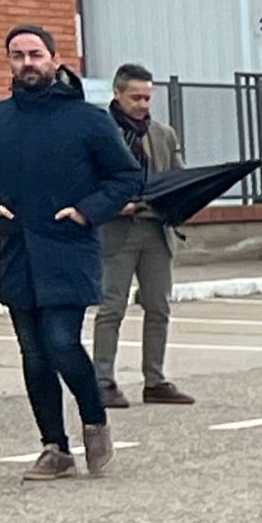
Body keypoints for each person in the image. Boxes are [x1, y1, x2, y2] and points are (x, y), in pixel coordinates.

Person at [0, 25, 140, 482]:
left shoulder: (88, 120)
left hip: (67, 248)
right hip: (16, 250)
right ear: (9, 63)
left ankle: (94, 420)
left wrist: (87, 212)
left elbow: (125, 178)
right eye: (18, 55)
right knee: (33, 353)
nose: (27, 63)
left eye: (35, 54)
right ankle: (54, 448)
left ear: (55, 60)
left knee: (61, 342)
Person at [91, 66, 189, 410]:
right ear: (117, 94)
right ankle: (102, 381)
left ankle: (156, 380)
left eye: (147, 97)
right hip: (116, 231)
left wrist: (175, 200)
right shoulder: (99, 131)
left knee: (158, 305)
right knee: (111, 308)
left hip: (156, 229)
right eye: (135, 97)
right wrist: (115, 205)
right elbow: (87, 180)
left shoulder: (162, 134)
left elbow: (178, 177)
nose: (142, 104)